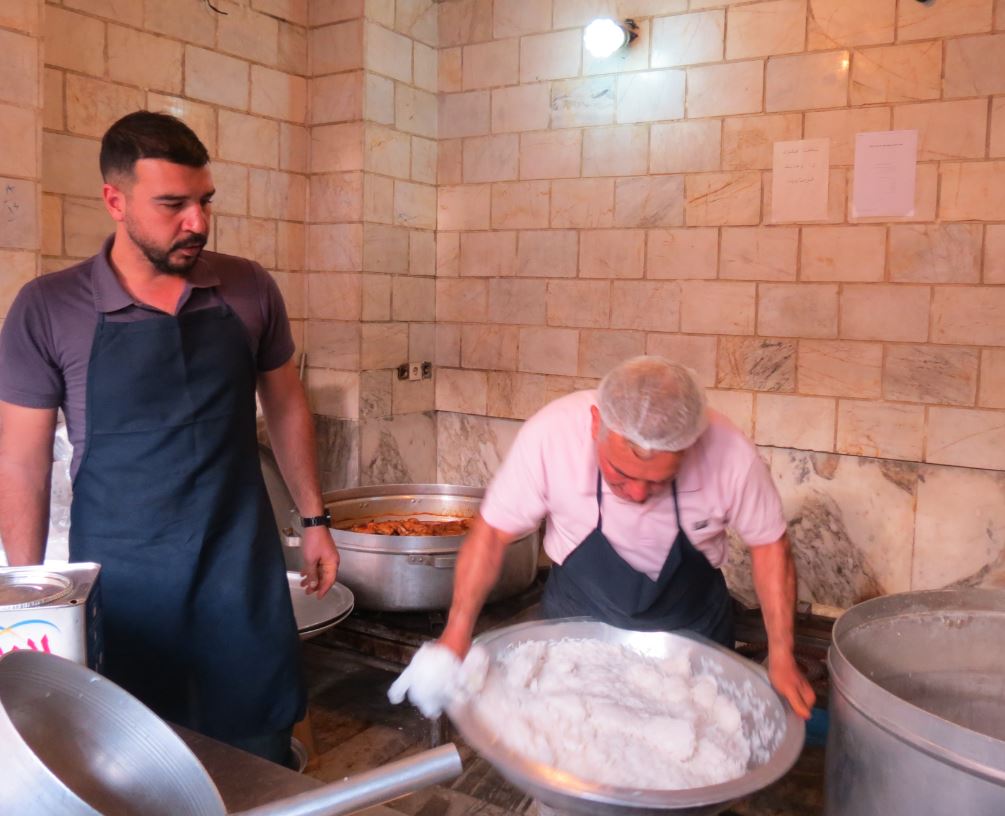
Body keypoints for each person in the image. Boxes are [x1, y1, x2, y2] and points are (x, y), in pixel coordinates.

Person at [0, 111, 339, 764]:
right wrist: (27, 597)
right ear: (115, 201)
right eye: (173, 204)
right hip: (125, 584)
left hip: (237, 569)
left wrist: (315, 520)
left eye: (205, 201)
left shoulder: (249, 288)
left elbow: (286, 403)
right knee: (138, 760)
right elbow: (21, 462)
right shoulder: (48, 308)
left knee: (258, 748)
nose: (198, 222)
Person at [390, 357, 816, 720]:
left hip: (692, 639)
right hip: (574, 631)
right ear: (597, 424)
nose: (638, 494)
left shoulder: (731, 454)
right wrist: (457, 631)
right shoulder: (551, 437)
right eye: (621, 474)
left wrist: (781, 655)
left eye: (659, 481)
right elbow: (491, 533)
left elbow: (770, 545)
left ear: (690, 448)